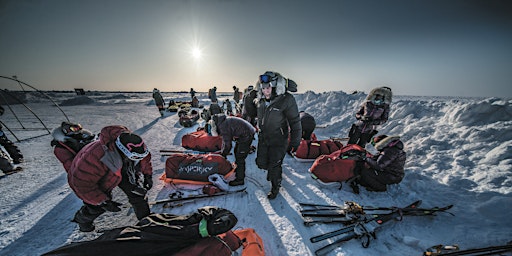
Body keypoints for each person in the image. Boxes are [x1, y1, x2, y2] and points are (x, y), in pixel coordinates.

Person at [68, 125, 153, 232]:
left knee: (137, 193)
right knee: (96, 206)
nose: (139, 159)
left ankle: (146, 220)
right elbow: (83, 184)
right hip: (94, 176)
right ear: (123, 152)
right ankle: (82, 220)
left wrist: (147, 175)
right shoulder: (95, 156)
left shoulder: (133, 144)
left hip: (122, 166)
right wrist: (103, 201)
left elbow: (145, 158)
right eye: (135, 158)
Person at [255, 71, 301, 199]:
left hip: (278, 139)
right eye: (263, 88)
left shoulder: (286, 100)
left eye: (268, 87)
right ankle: (272, 170)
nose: (265, 91)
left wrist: (295, 142)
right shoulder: (261, 100)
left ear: (275, 86)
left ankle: (276, 186)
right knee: (261, 163)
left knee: (275, 165)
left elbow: (295, 122)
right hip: (264, 138)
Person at [209, 114, 256, 186]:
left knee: (240, 157)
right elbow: (225, 142)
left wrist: (223, 155)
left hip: (247, 134)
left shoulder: (223, 127)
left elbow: (228, 145)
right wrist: (222, 153)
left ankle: (240, 179)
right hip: (244, 133)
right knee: (236, 151)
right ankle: (238, 171)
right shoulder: (221, 122)